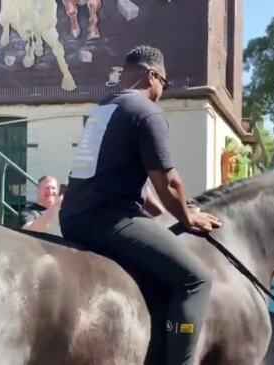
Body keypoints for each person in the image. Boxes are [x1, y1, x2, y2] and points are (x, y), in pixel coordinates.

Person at [59, 45, 222, 365]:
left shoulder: (104, 109)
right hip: (109, 221)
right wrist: (188, 217)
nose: (163, 91)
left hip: (73, 217)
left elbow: (133, 178)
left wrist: (162, 213)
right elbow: (169, 182)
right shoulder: (147, 112)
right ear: (152, 76)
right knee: (196, 279)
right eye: (165, 82)